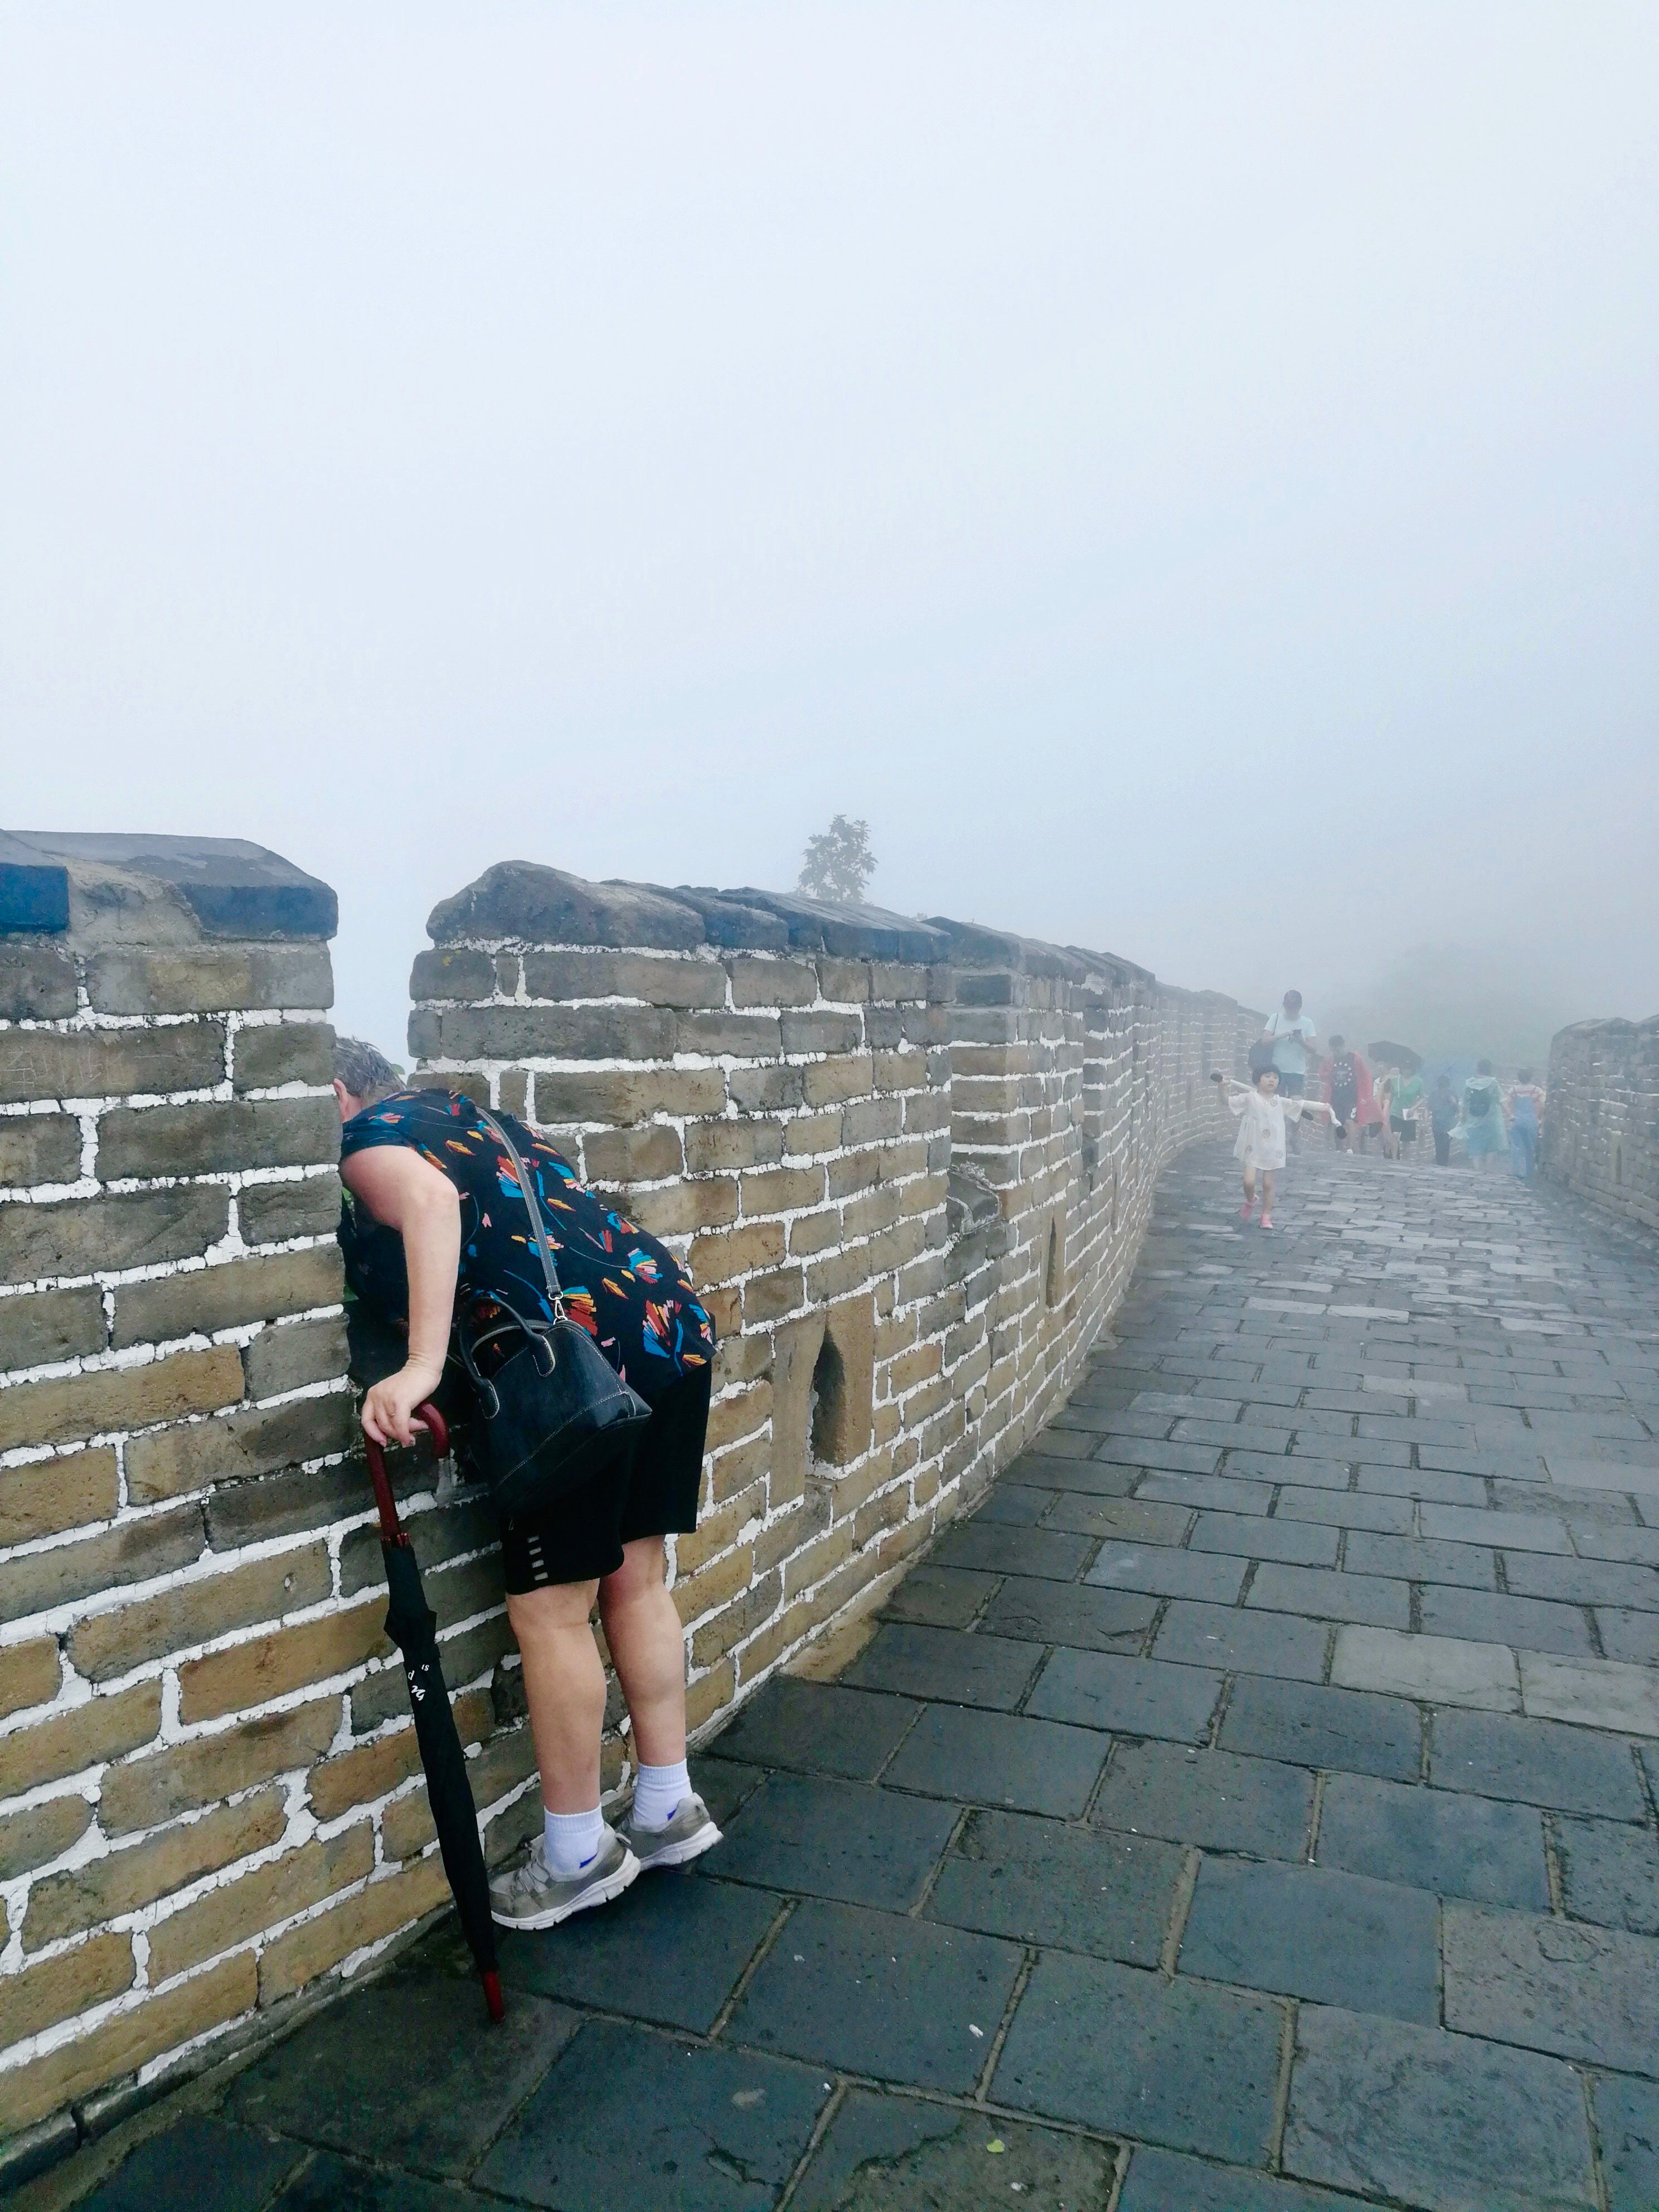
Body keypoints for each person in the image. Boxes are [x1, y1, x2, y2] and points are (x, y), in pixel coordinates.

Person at [332, 1037, 722, 1932]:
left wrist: (422, 1365)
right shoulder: (486, 1123)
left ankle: (576, 1855)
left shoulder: (370, 1143)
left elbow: (429, 1206)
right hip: (668, 1326)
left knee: (551, 1609)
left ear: (338, 1092)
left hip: (573, 1373)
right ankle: (667, 1806)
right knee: (637, 1576)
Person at [1215, 1065, 1335, 1230]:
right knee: (1248, 1182)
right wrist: (1222, 1087)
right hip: (1253, 1145)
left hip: (1272, 1148)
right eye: (1267, 1076)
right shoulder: (1250, 1098)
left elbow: (1301, 1104)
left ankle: (1266, 1215)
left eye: (1275, 1077)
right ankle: (1251, 1200)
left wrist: (1324, 1107)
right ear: (1258, 1079)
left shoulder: (1281, 1102)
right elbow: (1226, 1102)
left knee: (1268, 1184)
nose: (1272, 1080)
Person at [1321, 1036, 1374, 1152]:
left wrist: (1367, 1095)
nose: (1336, 1052)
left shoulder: (1354, 1058)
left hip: (1352, 1097)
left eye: (1338, 1049)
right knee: (1337, 1123)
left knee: (1350, 1121)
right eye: (1334, 1050)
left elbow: (1366, 1075)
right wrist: (1328, 1073)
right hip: (1335, 1097)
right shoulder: (1330, 1060)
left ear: (1343, 1046)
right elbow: (1322, 1075)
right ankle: (1338, 1149)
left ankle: (1350, 1148)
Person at [1461, 1059, 1507, 1172]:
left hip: (1474, 1118)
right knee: (1492, 1142)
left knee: (1475, 1142)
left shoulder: (1469, 1083)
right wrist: (1509, 1113)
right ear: (1490, 1069)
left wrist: (1463, 1116)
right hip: (1491, 1118)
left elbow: (1464, 1102)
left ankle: (1477, 1168)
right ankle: (1489, 1168)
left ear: (1478, 1068)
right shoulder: (1493, 1083)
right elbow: (1501, 1100)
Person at [1507, 1068, 1546, 1180]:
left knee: (1516, 1147)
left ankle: (1518, 1171)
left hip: (1517, 1121)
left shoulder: (1514, 1090)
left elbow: (1506, 1103)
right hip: (1531, 1122)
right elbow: (1543, 1105)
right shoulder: (1537, 1090)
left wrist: (1511, 1115)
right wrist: (1539, 1118)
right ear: (1531, 1077)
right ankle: (1529, 1172)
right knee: (1531, 1147)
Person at [1428, 1074, 1458, 1167]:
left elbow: (1458, 1110)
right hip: (1437, 1124)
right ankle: (1439, 1164)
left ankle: (1444, 1164)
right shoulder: (1434, 1095)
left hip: (1448, 1125)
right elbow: (1430, 1107)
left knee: (1446, 1145)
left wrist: (1454, 1103)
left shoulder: (1453, 1094)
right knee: (1438, 1145)